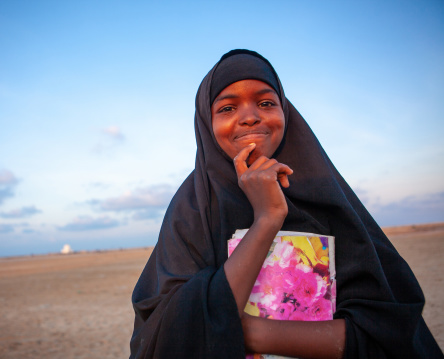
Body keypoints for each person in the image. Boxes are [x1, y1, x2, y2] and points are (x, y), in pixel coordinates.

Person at [129, 49, 442, 358]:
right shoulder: (192, 209)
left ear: (285, 113)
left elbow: (390, 329)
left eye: (266, 103)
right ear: (206, 123)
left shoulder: (326, 196)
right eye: (227, 108)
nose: (250, 116)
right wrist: (268, 218)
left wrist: (251, 333)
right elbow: (163, 330)